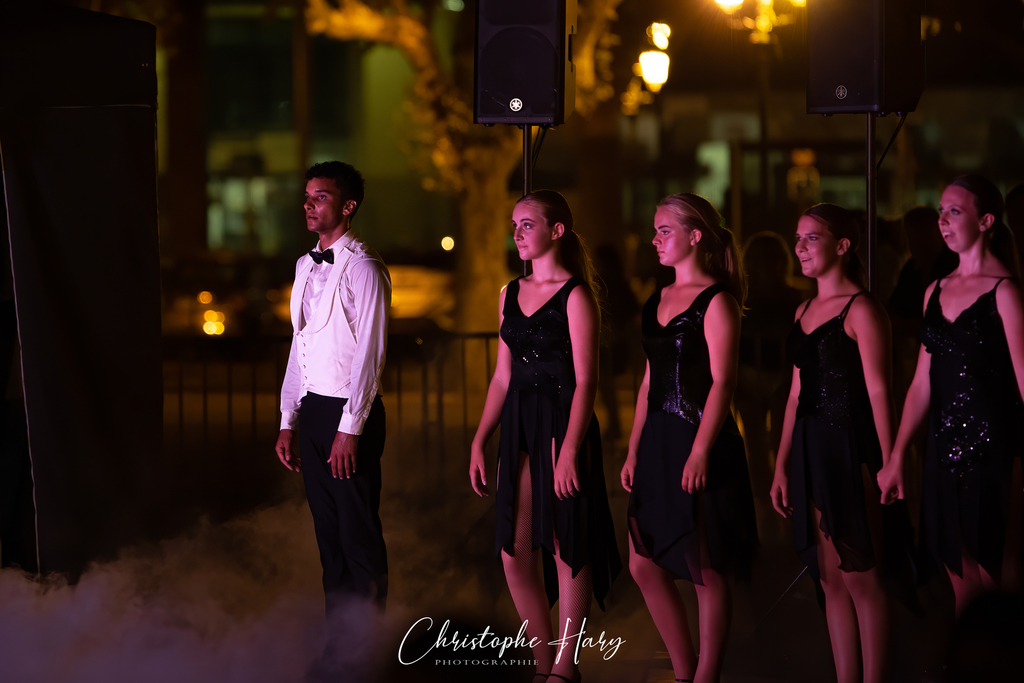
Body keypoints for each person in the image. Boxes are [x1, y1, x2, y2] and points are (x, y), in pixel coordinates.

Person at [469, 190, 621, 683]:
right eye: (514, 225)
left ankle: (564, 666)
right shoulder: (508, 293)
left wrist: (571, 448)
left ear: (557, 230)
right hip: (519, 425)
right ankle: (541, 662)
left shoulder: (576, 296)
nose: (516, 233)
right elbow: (501, 376)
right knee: (514, 552)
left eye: (527, 224)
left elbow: (586, 380)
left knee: (565, 542)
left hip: (561, 423)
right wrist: (479, 439)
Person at [621, 194, 757, 683]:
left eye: (664, 231)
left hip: (701, 438)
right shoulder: (655, 300)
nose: (654, 240)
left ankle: (706, 676)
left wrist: (700, 451)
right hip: (658, 439)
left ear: (695, 236)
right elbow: (648, 382)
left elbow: (724, 382)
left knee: (706, 566)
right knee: (642, 564)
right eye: (655, 230)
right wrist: (634, 448)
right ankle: (685, 670)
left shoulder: (718, 301)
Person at [881, 175, 1024, 614]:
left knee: (996, 573)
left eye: (954, 211)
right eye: (940, 211)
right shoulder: (934, 290)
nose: (942, 221)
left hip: (993, 446)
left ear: (986, 221)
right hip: (943, 446)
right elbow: (921, 382)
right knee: (956, 570)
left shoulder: (1005, 291)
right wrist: (897, 455)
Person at [770, 204, 896, 683]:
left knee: (861, 575)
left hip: (848, 447)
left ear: (842, 246)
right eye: (797, 238)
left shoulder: (861, 308)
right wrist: (782, 463)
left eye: (811, 238)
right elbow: (795, 394)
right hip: (810, 448)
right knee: (829, 579)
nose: (799, 247)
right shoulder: (802, 311)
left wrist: (890, 460)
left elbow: (881, 390)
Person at [275, 162, 391, 615]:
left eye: (320, 196)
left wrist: (350, 428)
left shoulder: (365, 267)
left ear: (347, 206)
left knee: (358, 536)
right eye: (307, 196)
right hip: (314, 411)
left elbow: (370, 355)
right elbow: (299, 344)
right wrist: (288, 420)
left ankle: (371, 643)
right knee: (329, 540)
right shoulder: (305, 264)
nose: (308, 204)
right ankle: (340, 643)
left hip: (350, 413)